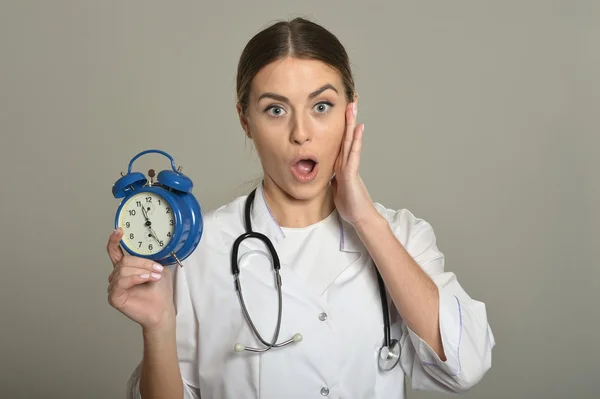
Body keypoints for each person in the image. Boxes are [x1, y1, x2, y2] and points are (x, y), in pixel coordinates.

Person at [106, 17, 495, 399]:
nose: (301, 133)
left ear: (350, 111)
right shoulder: (198, 251)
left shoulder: (402, 235)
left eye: (321, 106)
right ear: (246, 121)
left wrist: (365, 219)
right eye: (276, 110)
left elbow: (465, 365)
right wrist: (158, 326)